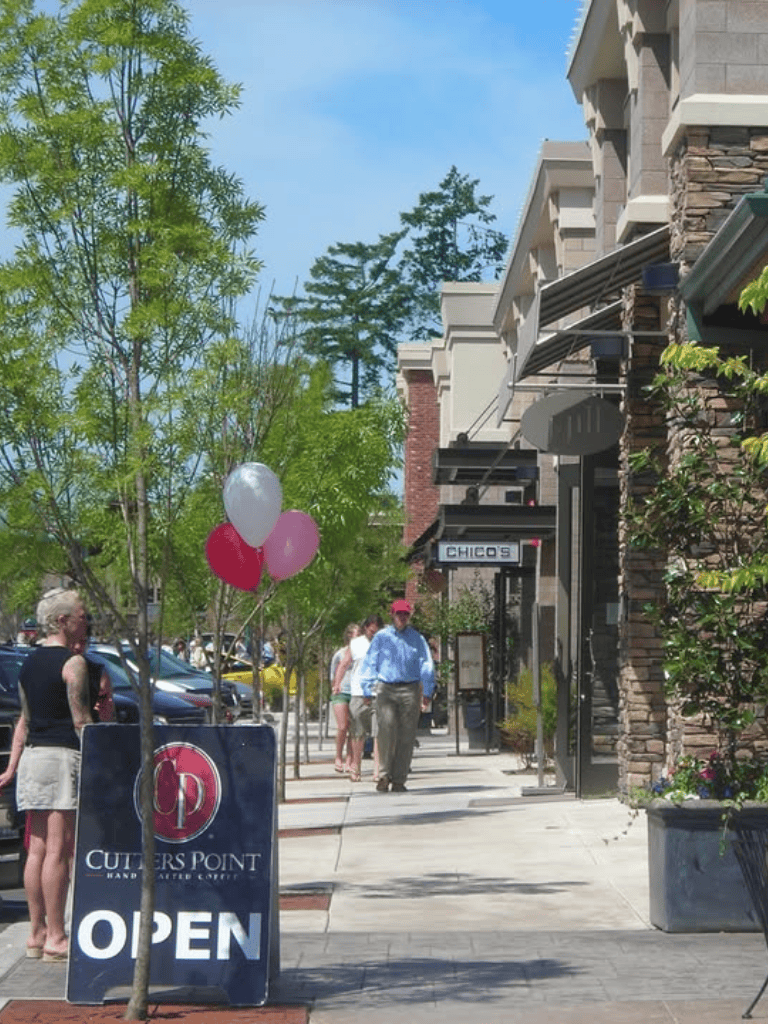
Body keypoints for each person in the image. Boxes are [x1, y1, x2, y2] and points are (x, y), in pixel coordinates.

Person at [0, 587, 93, 962]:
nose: (86, 622)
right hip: (60, 758)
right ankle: (56, 935)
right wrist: (104, 753)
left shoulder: (27, 663)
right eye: (82, 616)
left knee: (36, 848)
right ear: (63, 621)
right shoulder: (74, 664)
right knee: (59, 848)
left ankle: (36, 933)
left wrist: (12, 766)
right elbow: (81, 721)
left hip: (33, 758)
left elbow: (24, 720)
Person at [359, 599, 435, 793]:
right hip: (386, 688)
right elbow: (370, 661)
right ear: (392, 615)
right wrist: (366, 689)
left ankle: (399, 779)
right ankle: (384, 775)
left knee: (407, 735)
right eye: (398, 614)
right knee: (386, 730)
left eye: (405, 614)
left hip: (410, 689)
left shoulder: (417, 638)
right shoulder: (382, 637)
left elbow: (426, 664)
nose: (402, 617)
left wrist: (427, 690)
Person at [337, 614, 384, 782]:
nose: (374, 634)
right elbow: (344, 663)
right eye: (371, 631)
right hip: (358, 693)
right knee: (358, 732)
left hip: (379, 692)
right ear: (365, 628)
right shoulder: (356, 644)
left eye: (376, 631)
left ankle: (377, 770)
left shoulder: (385, 642)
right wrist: (337, 683)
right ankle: (356, 766)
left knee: (379, 733)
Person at [329, 624, 360, 774]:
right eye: (356, 635)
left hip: (356, 692)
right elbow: (332, 675)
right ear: (349, 636)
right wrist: (335, 687)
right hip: (341, 691)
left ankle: (350, 759)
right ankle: (338, 757)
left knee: (354, 728)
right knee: (342, 726)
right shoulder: (339, 654)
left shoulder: (362, 653)